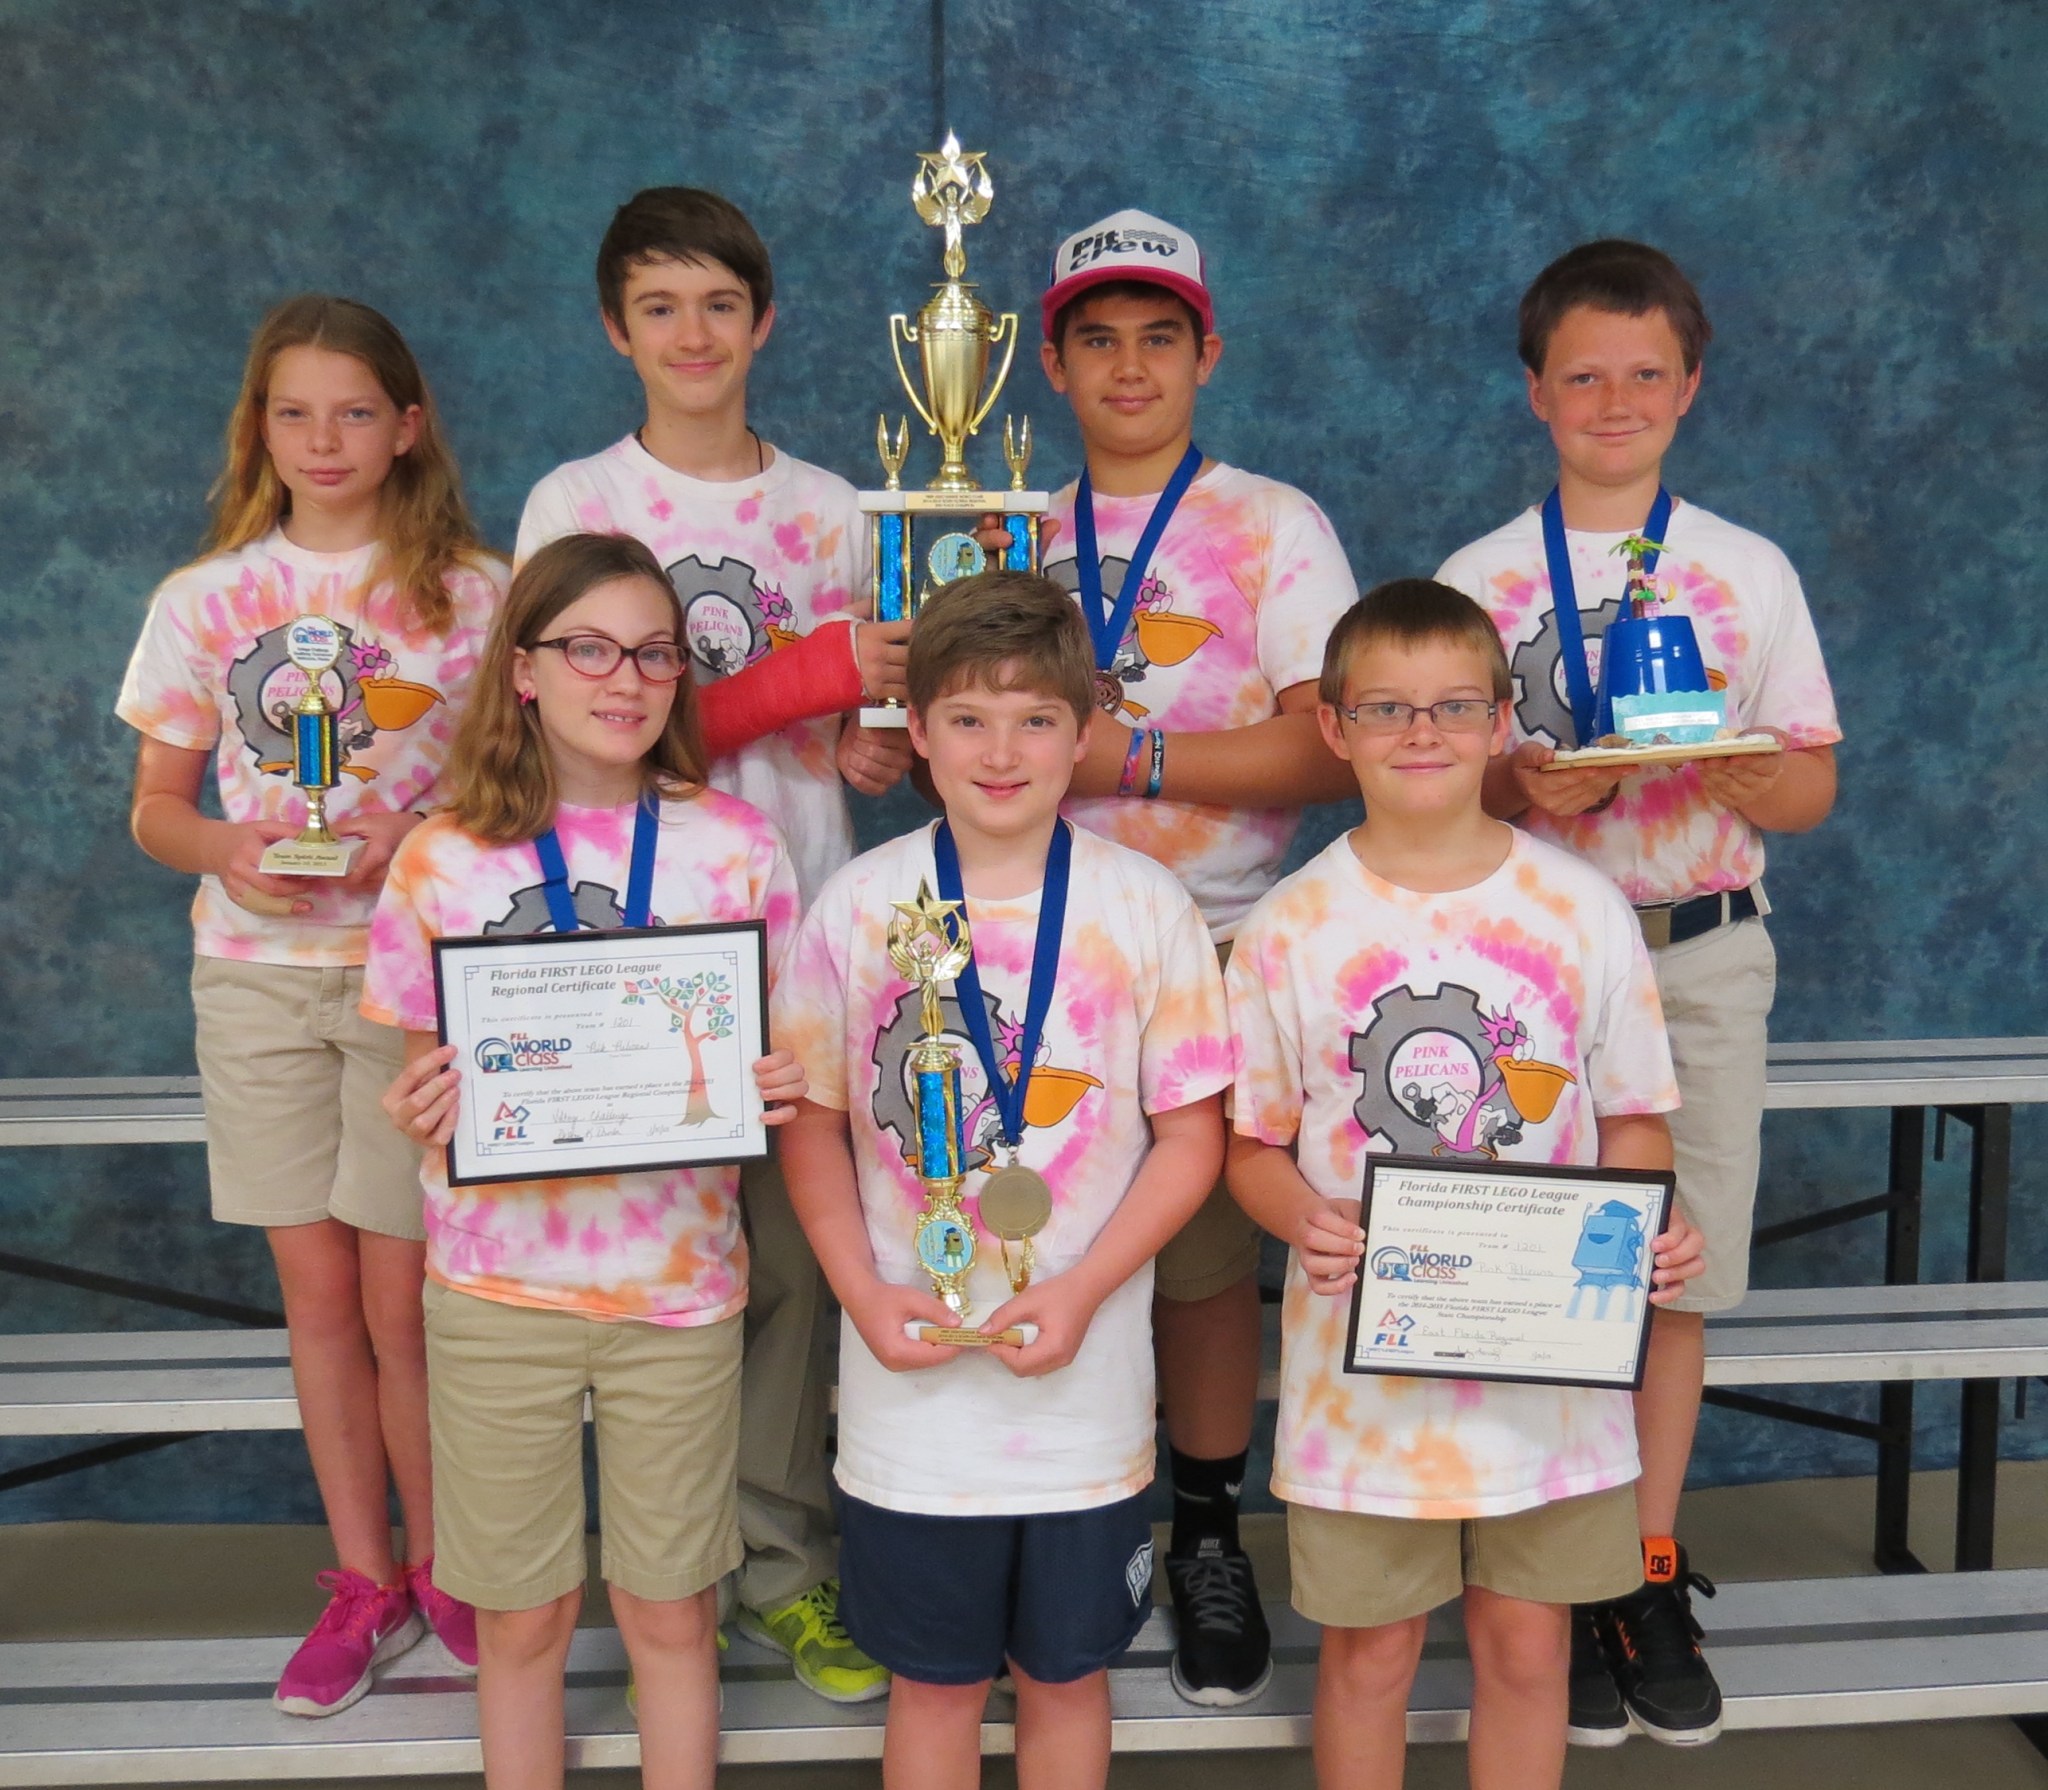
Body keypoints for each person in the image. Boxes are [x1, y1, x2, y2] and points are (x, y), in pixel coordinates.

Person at [1435, 239, 1840, 1745]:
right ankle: (1543, 1561)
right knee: (1547, 1262)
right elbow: (1437, 783)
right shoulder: (1482, 576)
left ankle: (1643, 1561)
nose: (1616, 399)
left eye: (1646, 374)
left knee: (1670, 1271)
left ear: (1692, 387)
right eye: (1584, 374)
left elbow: (1809, 784)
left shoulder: (1748, 568)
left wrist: (1751, 770)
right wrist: (1507, 782)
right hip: (1538, 967)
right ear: (1537, 391)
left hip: (1702, 952)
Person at [514, 185, 909, 1700]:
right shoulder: (575, 504)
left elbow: (855, 731)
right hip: (614, 951)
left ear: (765, 321)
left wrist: (862, 740)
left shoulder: (831, 511)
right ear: (618, 328)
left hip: (795, 933)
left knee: (796, 1274)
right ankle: (658, 1572)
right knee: (639, 1281)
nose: (694, 334)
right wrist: (805, 673)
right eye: (660, 307)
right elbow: (584, 725)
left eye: (721, 305)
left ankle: (787, 1571)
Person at [1224, 579, 1706, 1790]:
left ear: (1500, 720)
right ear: (1332, 726)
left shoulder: (1578, 909)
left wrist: (1647, 1228)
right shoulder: (1289, 927)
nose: (1421, 731)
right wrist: (1305, 1217)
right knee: (1370, 1652)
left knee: (1525, 1641)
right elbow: (1250, 1148)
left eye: (1451, 705)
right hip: (1365, 1378)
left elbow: (1634, 1122)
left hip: (1545, 1368)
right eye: (1385, 706)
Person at [978, 208, 1361, 1704]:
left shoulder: (1272, 522)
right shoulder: (1004, 525)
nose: (1126, 364)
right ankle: (1037, 1527)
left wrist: (1125, 747)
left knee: (1197, 1260)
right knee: (1028, 1228)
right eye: (1094, 339)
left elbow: (1325, 746)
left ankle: (1204, 1530)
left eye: (1156, 336)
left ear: (1206, 351)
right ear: (1053, 366)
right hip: (1026, 942)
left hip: (1207, 940)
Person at [772, 573, 1232, 1790]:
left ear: (1083, 733)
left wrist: (1079, 1286)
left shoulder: (1144, 906)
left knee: (1065, 1678)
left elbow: (1192, 1137)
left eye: (1034, 718)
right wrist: (861, 1294)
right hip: (908, 1394)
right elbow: (811, 1125)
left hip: (1081, 1391)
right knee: (929, 1686)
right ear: (912, 729)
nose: (1000, 748)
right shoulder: (860, 907)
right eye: (966, 716)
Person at [117, 295, 505, 1716]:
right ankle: (364, 1578)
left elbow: (519, 790)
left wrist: (411, 840)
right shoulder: (204, 600)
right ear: (260, 430)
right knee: (320, 1299)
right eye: (296, 413)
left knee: (408, 1301)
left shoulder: (477, 595)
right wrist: (227, 847)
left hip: (409, 989)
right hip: (258, 982)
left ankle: (457, 1565)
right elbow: (158, 808)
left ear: (407, 427)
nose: (325, 438)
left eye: (355, 410)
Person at [370, 532, 807, 1790]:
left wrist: (773, 1081)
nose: (624, 678)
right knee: (520, 1621)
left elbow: (773, 1049)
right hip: (496, 1293)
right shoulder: (441, 857)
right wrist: (426, 1101)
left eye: (653, 651)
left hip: (678, 1293)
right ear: (524, 668)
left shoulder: (732, 845)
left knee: (674, 1613)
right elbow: (425, 1064)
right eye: (589, 648)